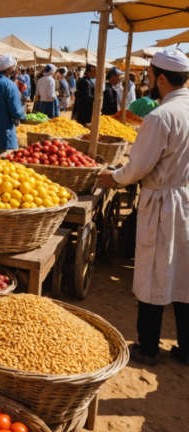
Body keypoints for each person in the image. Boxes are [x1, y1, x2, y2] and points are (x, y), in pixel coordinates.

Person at [97, 49, 189, 367]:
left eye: (149, 76)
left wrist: (113, 177)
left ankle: (147, 348)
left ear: (161, 78)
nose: (147, 81)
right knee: (183, 273)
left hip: (163, 202)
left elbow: (137, 169)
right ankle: (186, 348)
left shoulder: (160, 116)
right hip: (185, 199)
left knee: (153, 272)